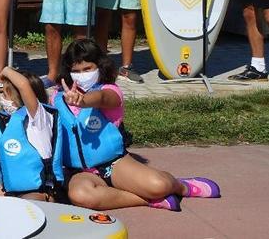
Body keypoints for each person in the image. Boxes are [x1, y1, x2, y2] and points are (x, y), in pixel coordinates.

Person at [57, 40, 221, 211]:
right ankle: (147, 200)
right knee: (80, 196)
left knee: (159, 186)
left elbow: (103, 98)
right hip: (78, 171)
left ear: (99, 66)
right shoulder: (57, 97)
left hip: (114, 164)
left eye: (87, 69)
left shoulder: (110, 90)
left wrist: (83, 101)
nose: (81, 75)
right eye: (75, 71)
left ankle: (181, 186)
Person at [0, 66, 62, 201]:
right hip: (11, 191)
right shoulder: (10, 123)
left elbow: (23, 85)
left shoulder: (39, 119)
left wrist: (4, 70)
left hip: (37, 192)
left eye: (4, 94)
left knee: (23, 205)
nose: (2, 99)